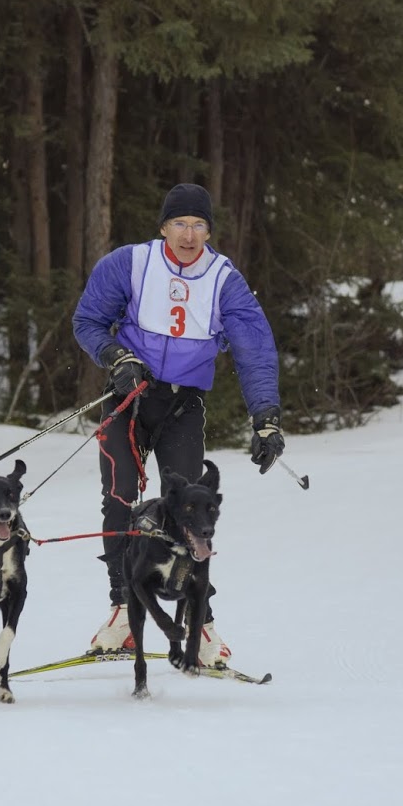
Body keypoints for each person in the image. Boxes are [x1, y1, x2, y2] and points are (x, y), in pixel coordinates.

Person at [73, 182, 285, 664]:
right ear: (163, 227)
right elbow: (87, 320)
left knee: (193, 508)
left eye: (199, 226)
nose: (189, 236)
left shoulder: (224, 279)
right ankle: (124, 611)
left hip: (181, 404)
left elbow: (254, 349)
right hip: (128, 398)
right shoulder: (129, 263)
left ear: (209, 231)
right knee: (121, 499)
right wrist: (116, 356)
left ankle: (201, 622)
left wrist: (266, 417)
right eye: (180, 224)